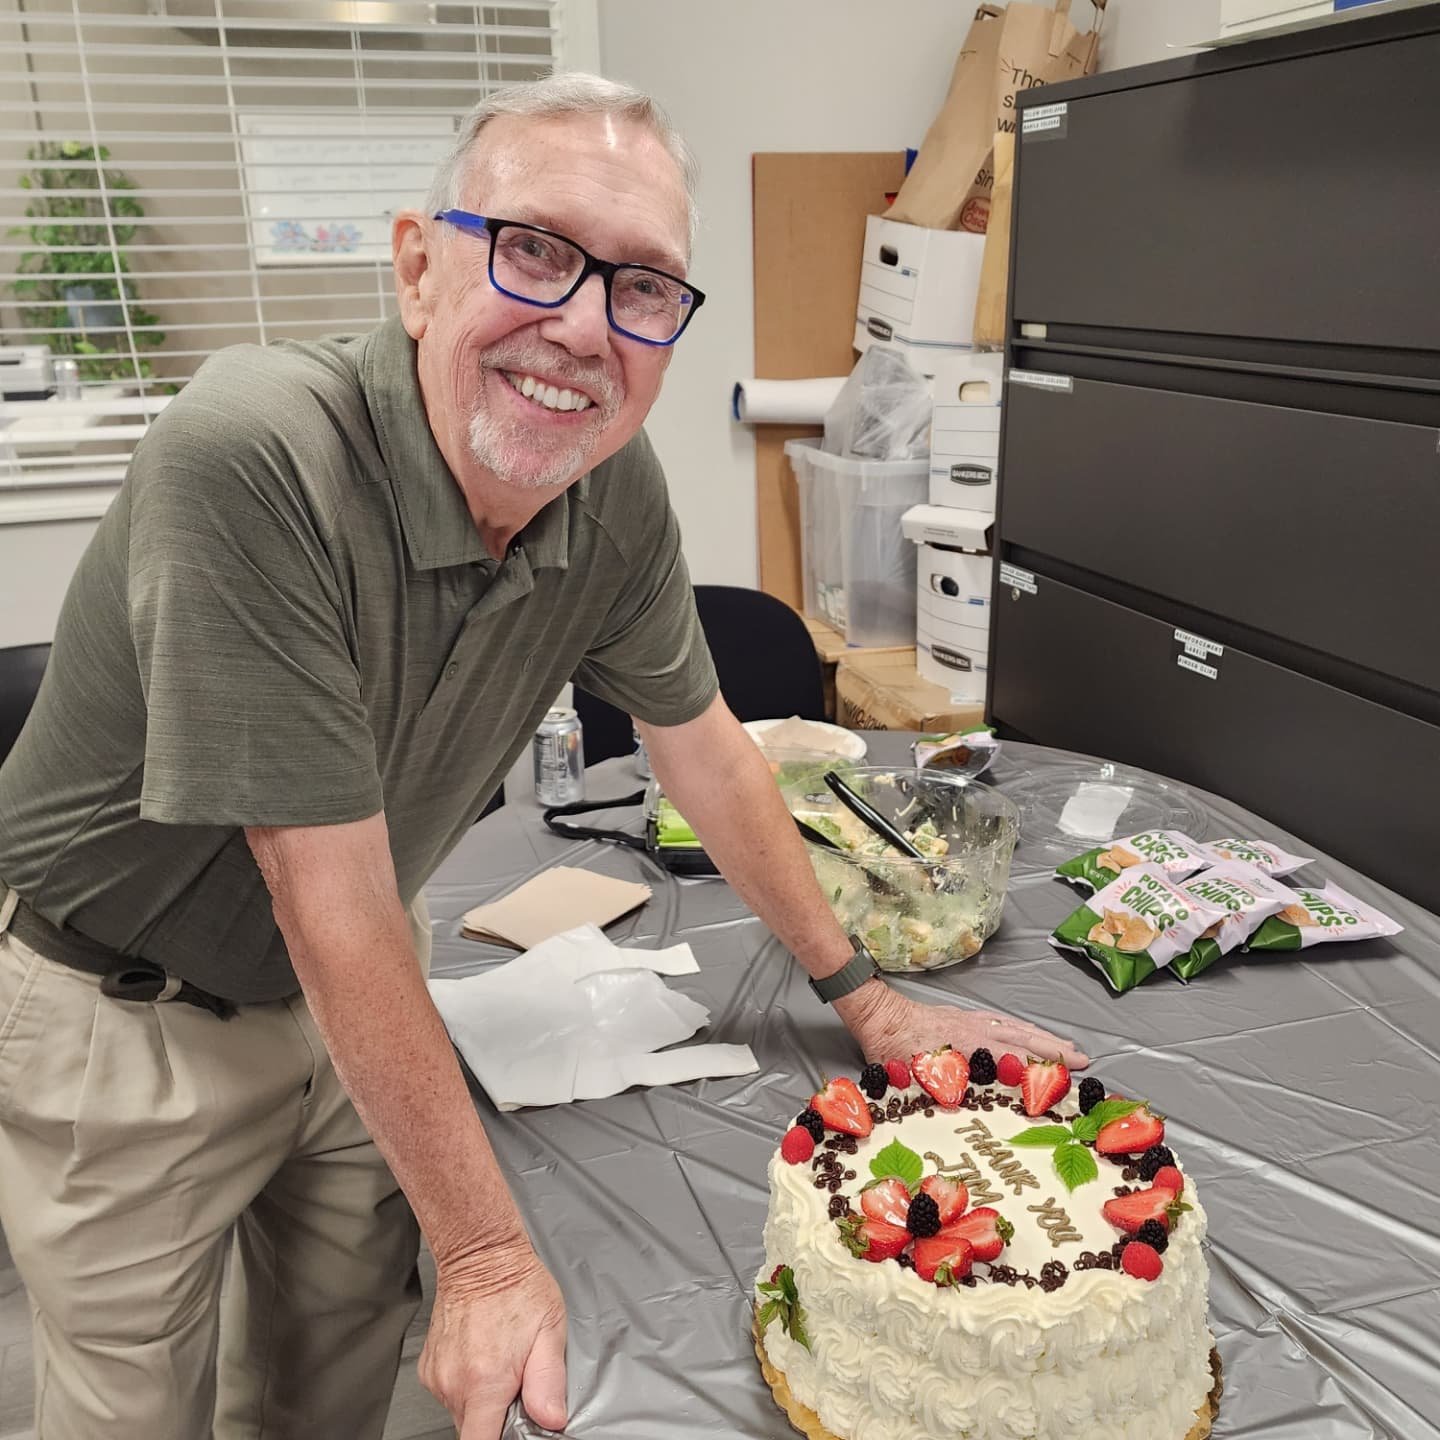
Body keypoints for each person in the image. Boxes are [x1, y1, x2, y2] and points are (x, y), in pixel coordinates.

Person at [0, 74, 1086, 1440]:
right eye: (536, 250)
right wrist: (487, 1255)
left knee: (324, 1381)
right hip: (122, 1018)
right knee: (126, 1414)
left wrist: (865, 1001)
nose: (583, 327)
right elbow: (319, 892)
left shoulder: (606, 490)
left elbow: (711, 758)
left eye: (644, 287)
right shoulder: (253, 455)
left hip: (357, 993)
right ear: (417, 266)